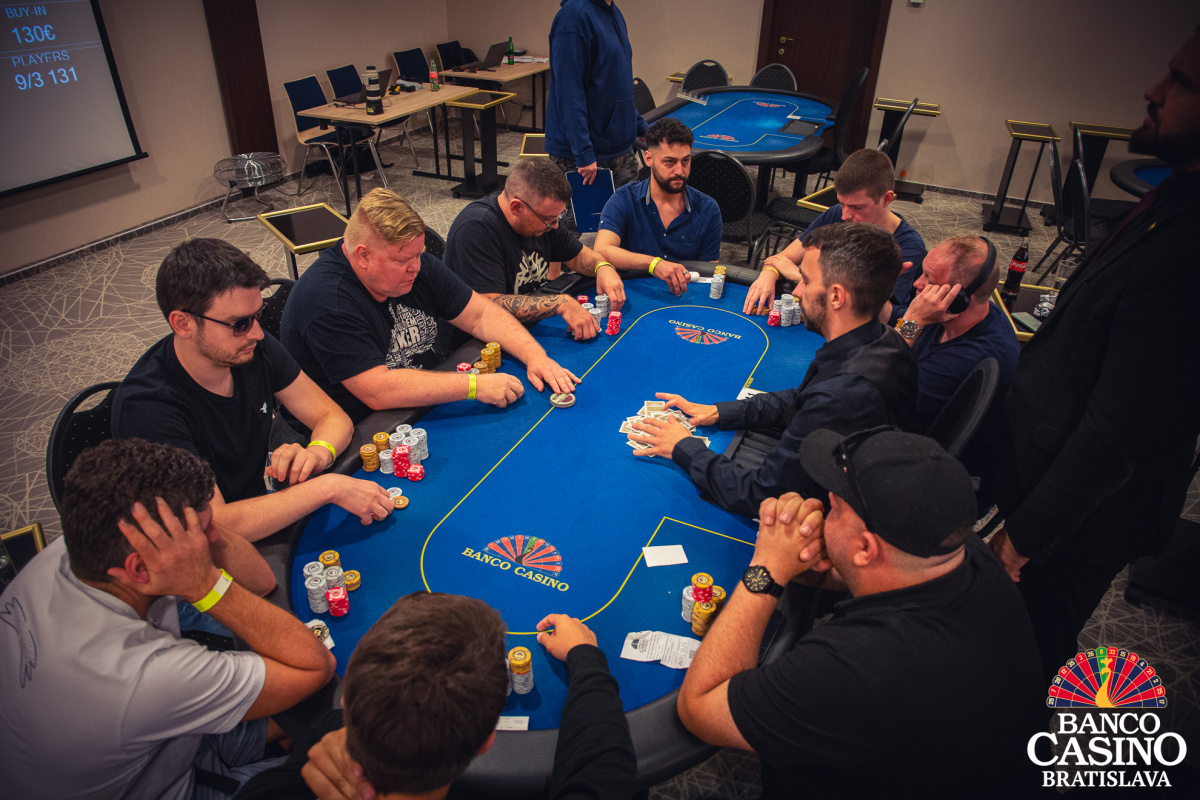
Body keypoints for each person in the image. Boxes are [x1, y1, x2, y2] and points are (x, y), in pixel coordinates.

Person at [991, 29, 1200, 683]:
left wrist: (1021, 539)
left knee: (1021, 660)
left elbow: (1117, 432)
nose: (1153, 91)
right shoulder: (1174, 197)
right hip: (1054, 490)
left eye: (1182, 82)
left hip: (1080, 524)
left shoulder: (1191, 251)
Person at [677, 428, 1044, 798]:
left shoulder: (856, 667)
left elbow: (699, 709)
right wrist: (803, 558)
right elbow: (869, 573)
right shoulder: (962, 552)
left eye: (835, 508)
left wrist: (767, 568)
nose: (823, 508)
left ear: (866, 548)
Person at [0, 438, 337, 800]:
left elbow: (261, 580)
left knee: (305, 719)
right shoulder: (137, 675)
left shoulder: (79, 548)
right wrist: (204, 583)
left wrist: (198, 523)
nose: (212, 537)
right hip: (166, 785)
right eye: (200, 532)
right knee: (352, 758)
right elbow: (315, 666)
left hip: (161, 740)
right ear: (140, 568)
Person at [113, 238, 393, 560]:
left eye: (257, 316)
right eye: (240, 323)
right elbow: (216, 523)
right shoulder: (148, 410)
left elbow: (332, 417)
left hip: (261, 509)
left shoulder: (250, 347)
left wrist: (317, 452)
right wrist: (327, 487)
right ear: (183, 323)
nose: (258, 333)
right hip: (200, 552)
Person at [630, 223, 916, 518]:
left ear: (836, 297)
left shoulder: (842, 396)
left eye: (805, 281)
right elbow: (801, 400)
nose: (797, 291)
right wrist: (720, 412)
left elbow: (761, 494)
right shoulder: (884, 340)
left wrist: (683, 447)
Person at [233, 599, 635, 800]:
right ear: (486, 740)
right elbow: (602, 761)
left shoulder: (272, 789)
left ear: (348, 696)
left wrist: (315, 753)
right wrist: (585, 655)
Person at [281, 188, 579, 427]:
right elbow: (378, 390)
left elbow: (480, 314)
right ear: (363, 255)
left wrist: (535, 356)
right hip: (362, 428)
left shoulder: (415, 264)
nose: (416, 267)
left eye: (419, 255)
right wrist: (474, 386)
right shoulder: (327, 301)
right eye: (402, 261)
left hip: (423, 398)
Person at [894, 235, 1019, 514]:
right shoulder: (960, 316)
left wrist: (911, 322)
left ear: (959, 299)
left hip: (933, 487)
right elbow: (896, 322)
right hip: (917, 443)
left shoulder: (967, 357)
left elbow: (880, 385)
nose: (917, 283)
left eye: (929, 278)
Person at [443, 158, 625, 341]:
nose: (555, 226)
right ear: (516, 207)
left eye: (558, 217)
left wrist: (602, 267)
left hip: (525, 325)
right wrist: (558, 303)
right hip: (473, 342)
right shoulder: (476, 228)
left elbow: (577, 256)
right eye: (548, 219)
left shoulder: (543, 219)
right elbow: (487, 306)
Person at [743, 148, 926, 323]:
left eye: (856, 207)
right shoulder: (836, 214)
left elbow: (878, 313)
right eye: (842, 203)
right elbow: (781, 259)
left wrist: (801, 276)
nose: (845, 215)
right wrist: (769, 274)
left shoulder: (909, 246)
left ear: (886, 199)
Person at [594, 118, 724, 297]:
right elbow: (602, 250)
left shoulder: (709, 209)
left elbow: (707, 274)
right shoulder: (624, 199)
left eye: (685, 161)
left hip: (684, 297)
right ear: (649, 158)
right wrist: (654, 264)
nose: (679, 171)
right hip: (634, 294)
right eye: (669, 162)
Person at [544, 0, 646, 190]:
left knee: (627, 210)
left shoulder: (614, 12)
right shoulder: (573, 17)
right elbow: (569, 92)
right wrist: (583, 153)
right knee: (586, 212)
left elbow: (614, 85)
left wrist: (639, 125)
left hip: (620, 149)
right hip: (584, 159)